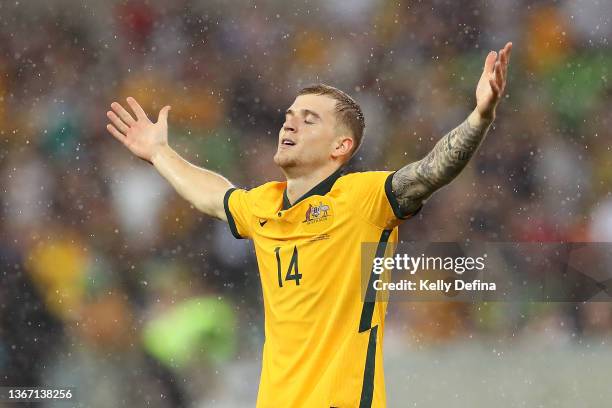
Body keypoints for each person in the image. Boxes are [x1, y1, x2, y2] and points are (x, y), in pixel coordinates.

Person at [105, 42, 512, 408]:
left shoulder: (362, 198)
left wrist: (479, 117)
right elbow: (212, 195)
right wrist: (160, 153)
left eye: (309, 119)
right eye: (289, 116)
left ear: (341, 146)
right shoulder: (263, 204)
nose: (289, 124)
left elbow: (429, 172)